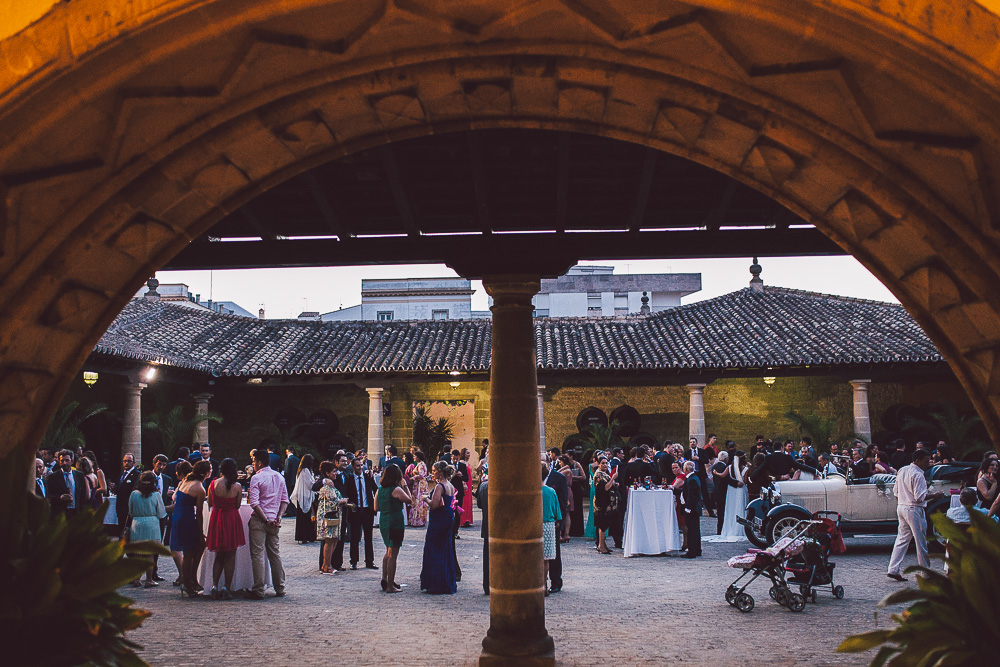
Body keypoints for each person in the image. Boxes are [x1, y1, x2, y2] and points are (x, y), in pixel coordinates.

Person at [887, 450, 943, 582]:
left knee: (902, 539)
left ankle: (893, 568)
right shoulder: (918, 475)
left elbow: (896, 492)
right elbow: (919, 497)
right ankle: (926, 572)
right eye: (926, 461)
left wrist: (903, 501)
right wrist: (935, 495)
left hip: (902, 506)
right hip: (913, 509)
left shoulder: (902, 470)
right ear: (917, 460)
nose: (928, 464)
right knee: (920, 541)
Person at [247, 448, 289, 599]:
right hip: (274, 521)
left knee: (258, 555)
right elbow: (285, 500)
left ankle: (258, 589)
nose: (253, 465)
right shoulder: (279, 477)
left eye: (253, 462)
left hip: (260, 520)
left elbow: (254, 503)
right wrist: (279, 517)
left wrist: (265, 519)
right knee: (275, 554)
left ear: (259, 462)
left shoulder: (256, 478)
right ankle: (280, 587)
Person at [205, 458, 244, 600]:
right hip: (231, 518)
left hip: (217, 518)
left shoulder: (213, 484)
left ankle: (215, 585)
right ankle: (226, 586)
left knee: (218, 555)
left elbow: (209, 502)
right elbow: (238, 506)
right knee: (230, 555)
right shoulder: (237, 486)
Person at [171, 460, 209, 597]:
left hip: (178, 517)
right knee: (189, 553)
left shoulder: (185, 482)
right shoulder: (199, 488)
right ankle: (187, 584)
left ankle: (192, 579)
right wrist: (201, 532)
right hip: (187, 519)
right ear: (206, 473)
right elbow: (199, 514)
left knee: (198, 548)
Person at [420, 461, 457, 594]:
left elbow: (434, 505)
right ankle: (446, 580)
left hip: (438, 520)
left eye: (434, 470)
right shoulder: (450, 485)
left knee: (434, 549)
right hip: (447, 518)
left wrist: (425, 499)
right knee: (445, 549)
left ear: (440, 472)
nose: (433, 473)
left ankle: (436, 582)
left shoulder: (440, 486)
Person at [375, 463, 413, 593]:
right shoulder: (396, 490)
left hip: (384, 520)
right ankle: (390, 585)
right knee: (393, 554)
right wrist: (405, 485)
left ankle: (385, 578)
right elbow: (409, 501)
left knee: (388, 551)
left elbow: (376, 507)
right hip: (395, 521)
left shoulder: (379, 489)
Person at [128, 471, 167, 588]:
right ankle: (149, 579)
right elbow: (161, 513)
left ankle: (136, 579)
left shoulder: (134, 494)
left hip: (137, 523)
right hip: (152, 524)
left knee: (138, 553)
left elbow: (130, 511)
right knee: (150, 553)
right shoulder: (156, 495)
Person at [345, 456, 378, 570]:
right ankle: (353, 561)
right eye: (358, 466)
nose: (360, 468)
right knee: (355, 537)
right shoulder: (349, 479)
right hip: (356, 510)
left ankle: (369, 561)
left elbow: (376, 490)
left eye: (361, 465)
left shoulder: (368, 477)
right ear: (353, 467)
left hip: (367, 510)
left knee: (369, 537)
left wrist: (375, 505)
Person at [316, 460, 348, 574]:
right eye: (333, 472)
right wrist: (343, 501)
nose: (335, 473)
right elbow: (332, 502)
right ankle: (326, 565)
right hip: (328, 518)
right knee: (329, 541)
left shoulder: (333, 486)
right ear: (327, 473)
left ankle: (327, 564)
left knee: (333, 540)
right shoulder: (326, 487)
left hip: (335, 517)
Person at [543, 455, 569, 593]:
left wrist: (560, 523)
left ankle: (556, 582)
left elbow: (563, 502)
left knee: (553, 554)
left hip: (552, 522)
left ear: (548, 463)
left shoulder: (559, 478)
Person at [714, 451, 748, 541]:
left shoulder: (729, 467)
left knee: (731, 508)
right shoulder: (745, 469)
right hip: (741, 490)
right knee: (740, 507)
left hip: (731, 490)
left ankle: (730, 527)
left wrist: (716, 473)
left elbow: (722, 475)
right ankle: (740, 528)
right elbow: (746, 480)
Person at [45, 449, 88, 517]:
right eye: (62, 461)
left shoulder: (79, 475)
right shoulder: (53, 477)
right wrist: (61, 497)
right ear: (59, 462)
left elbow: (82, 495)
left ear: (72, 461)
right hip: (60, 514)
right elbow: (49, 495)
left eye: (67, 460)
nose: (64, 463)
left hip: (76, 513)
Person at [541, 462, 562, 596]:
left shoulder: (530, 491)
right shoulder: (551, 491)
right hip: (548, 525)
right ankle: (544, 584)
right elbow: (557, 513)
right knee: (546, 558)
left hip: (534, 524)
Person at [592, 456, 617, 554]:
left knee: (604, 524)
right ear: (598, 464)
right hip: (602, 503)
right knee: (602, 524)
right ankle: (601, 545)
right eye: (603, 463)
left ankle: (603, 544)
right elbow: (605, 488)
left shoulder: (604, 474)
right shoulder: (598, 475)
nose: (605, 465)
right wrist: (613, 479)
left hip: (607, 503)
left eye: (606, 463)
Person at [290, 453, 316, 544]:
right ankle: (305, 536)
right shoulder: (305, 471)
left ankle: (304, 536)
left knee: (303, 518)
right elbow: (309, 484)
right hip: (304, 496)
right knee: (305, 518)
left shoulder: (301, 470)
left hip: (302, 496)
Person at [686, 437, 715, 517]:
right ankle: (694, 511)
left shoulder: (702, 451)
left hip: (701, 474)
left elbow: (706, 460)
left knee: (704, 493)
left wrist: (698, 458)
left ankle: (710, 512)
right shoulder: (688, 453)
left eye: (694, 442)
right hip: (692, 474)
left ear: (697, 443)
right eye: (691, 442)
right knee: (692, 493)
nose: (692, 443)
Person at [114, 453, 141, 533]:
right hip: (120, 506)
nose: (126, 463)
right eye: (125, 461)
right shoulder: (122, 474)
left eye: (129, 461)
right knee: (120, 527)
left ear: (133, 463)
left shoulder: (137, 474)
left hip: (128, 506)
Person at [681, 461, 702, 557]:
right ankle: (697, 549)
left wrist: (687, 508)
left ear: (686, 469)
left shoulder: (691, 479)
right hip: (694, 508)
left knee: (692, 530)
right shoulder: (694, 477)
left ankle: (692, 551)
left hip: (692, 508)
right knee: (695, 529)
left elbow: (691, 496)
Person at [407, 450, 429, 527]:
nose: (414, 457)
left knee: (419, 501)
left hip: (420, 485)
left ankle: (419, 520)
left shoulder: (421, 465)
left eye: (415, 456)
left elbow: (421, 475)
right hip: (418, 485)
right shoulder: (420, 464)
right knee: (416, 502)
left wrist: (412, 478)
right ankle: (416, 519)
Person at [476, 476, 490, 594]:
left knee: (487, 558)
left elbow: (479, 504)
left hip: (487, 527)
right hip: (500, 529)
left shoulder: (483, 486)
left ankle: (487, 585)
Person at [711, 451, 729, 535]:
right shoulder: (726, 468)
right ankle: (723, 529)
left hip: (717, 492)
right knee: (724, 512)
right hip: (724, 492)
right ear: (725, 459)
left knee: (720, 513)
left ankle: (719, 530)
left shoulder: (714, 466)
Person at [460, 448, 475, 527]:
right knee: (464, 501)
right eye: (467, 453)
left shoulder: (467, 463)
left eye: (469, 453)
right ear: (463, 454)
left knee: (468, 501)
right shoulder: (462, 463)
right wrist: (464, 483)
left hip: (469, 484)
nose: (469, 455)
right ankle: (463, 519)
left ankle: (468, 519)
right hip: (465, 484)